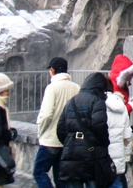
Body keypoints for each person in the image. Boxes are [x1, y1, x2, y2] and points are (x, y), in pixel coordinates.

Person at [57, 72, 112, 188]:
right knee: (93, 182)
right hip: (91, 155)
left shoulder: (71, 102)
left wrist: (70, 142)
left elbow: (60, 129)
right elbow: (99, 126)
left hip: (71, 152)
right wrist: (104, 144)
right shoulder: (97, 101)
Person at [33, 57, 80, 188]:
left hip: (50, 140)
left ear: (52, 70)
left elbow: (46, 115)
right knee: (61, 176)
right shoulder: (76, 88)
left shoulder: (52, 88)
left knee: (39, 172)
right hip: (68, 141)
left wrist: (41, 132)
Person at [105, 83, 133, 188]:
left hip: (103, 157)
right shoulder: (122, 106)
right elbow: (127, 137)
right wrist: (126, 157)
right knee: (117, 183)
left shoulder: (97, 104)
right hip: (118, 157)